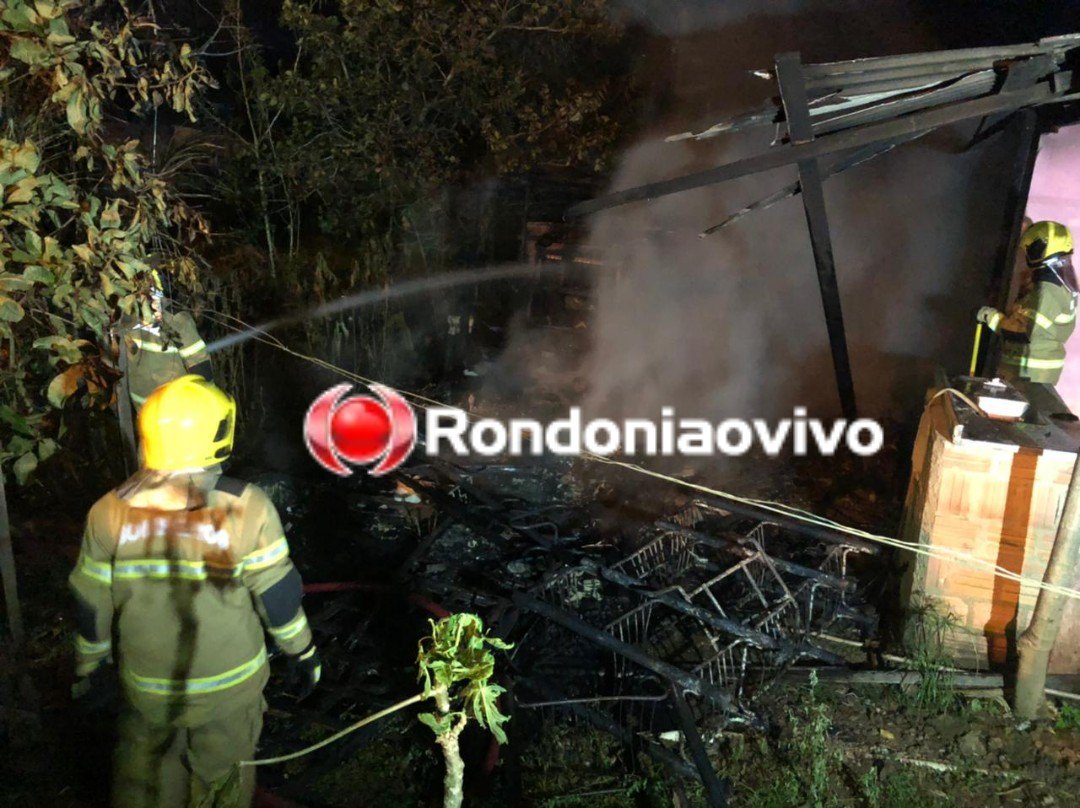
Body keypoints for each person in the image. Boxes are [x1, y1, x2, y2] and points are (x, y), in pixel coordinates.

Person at [69, 375, 321, 807]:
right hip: (230, 692)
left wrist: (89, 669)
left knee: (143, 785)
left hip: (147, 691)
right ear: (217, 433)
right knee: (221, 785)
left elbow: (89, 601)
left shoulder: (109, 511)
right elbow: (278, 596)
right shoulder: (246, 506)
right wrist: (303, 653)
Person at [977, 221, 1077, 385]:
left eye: (1028, 248)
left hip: (1029, 371)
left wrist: (988, 316)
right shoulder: (1061, 280)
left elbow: (1021, 331)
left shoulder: (1048, 289)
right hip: (1036, 370)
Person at [119, 270, 214, 410]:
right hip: (158, 414)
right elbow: (200, 364)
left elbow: (200, 363)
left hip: (162, 413)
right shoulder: (130, 320)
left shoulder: (175, 321)